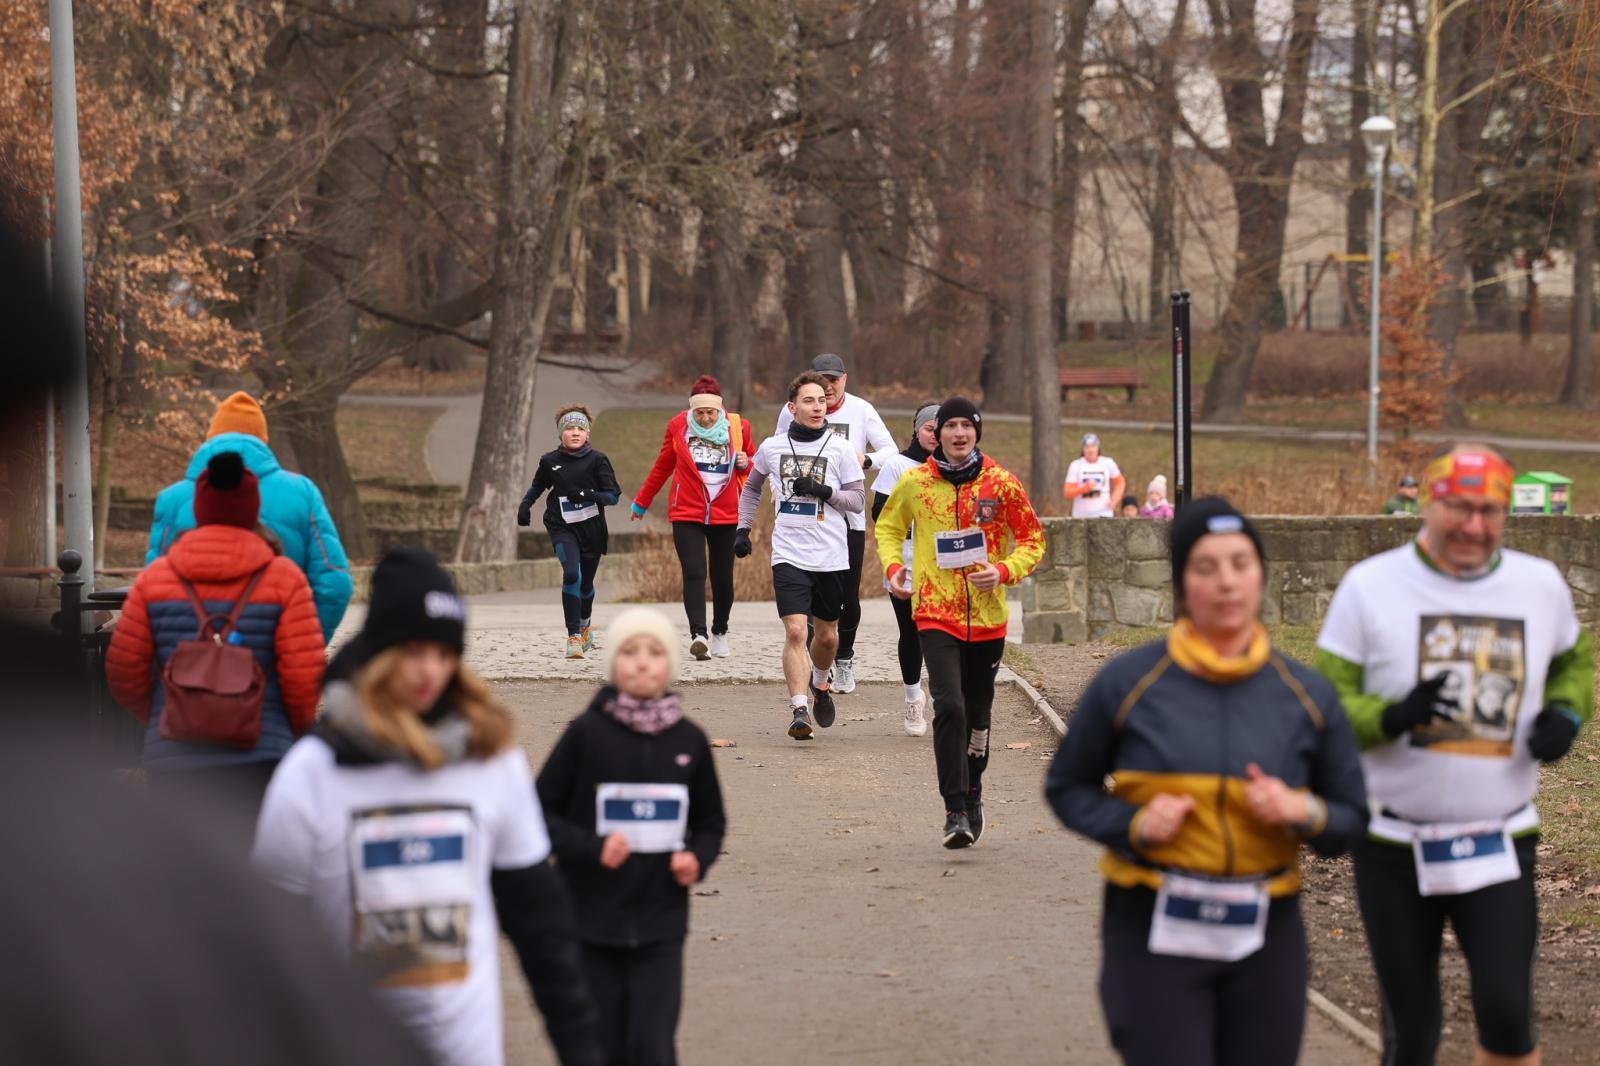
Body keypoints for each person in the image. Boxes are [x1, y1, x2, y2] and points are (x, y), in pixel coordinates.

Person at [1046, 497, 1368, 1066]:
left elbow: (1352, 815)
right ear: (1182, 584)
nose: (1226, 582)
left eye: (1241, 564)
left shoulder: (1307, 695)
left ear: (1261, 575)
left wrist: (1305, 812)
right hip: (1152, 923)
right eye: (1206, 567)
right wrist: (1135, 824)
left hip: (1266, 929)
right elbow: (1067, 786)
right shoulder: (1130, 682)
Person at [251, 548, 604, 1066]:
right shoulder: (311, 774)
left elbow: (542, 929)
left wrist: (582, 1051)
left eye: (443, 654)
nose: (429, 671)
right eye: (414, 651)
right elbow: (270, 951)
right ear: (380, 655)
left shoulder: (493, 763)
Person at [1314, 444, 1594, 1066]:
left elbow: (1573, 660)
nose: (1474, 526)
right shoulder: (1371, 586)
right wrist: (1389, 717)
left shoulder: (1538, 583)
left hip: (1499, 839)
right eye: (1460, 509)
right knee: (1411, 1028)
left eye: (1489, 511)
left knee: (1505, 1009)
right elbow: (1325, 703)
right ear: (1430, 505)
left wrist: (1567, 713)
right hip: (1392, 844)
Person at [536, 607, 727, 1066]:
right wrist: (592, 847)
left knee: (652, 1045)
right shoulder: (585, 735)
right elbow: (538, 813)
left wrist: (696, 859)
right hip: (591, 921)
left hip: (661, 923)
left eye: (655, 652)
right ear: (613, 664)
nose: (642, 662)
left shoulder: (689, 741)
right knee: (602, 1046)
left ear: (671, 666)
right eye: (629, 652)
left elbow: (710, 823)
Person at [107, 452, 326, 845]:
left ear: (201, 507)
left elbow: (124, 671)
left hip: (174, 759)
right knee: (252, 877)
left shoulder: (155, 580)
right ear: (253, 509)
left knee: (184, 876)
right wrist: (287, 734)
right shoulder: (285, 579)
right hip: (260, 755)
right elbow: (304, 677)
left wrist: (167, 715)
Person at [875, 397, 1045, 848]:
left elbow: (1032, 538)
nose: (957, 433)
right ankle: (954, 811)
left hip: (987, 617)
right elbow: (888, 529)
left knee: (977, 714)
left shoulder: (1000, 483)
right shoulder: (915, 483)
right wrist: (895, 571)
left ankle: (974, 790)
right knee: (948, 706)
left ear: (976, 432)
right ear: (935, 434)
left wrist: (1005, 570)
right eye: (948, 426)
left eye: (965, 426)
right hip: (935, 611)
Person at [147, 391, 352, 643]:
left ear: (212, 437)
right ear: (263, 440)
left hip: (185, 664)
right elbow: (335, 582)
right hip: (272, 658)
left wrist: (173, 650)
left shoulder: (173, 499)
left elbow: (153, 590)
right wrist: (304, 644)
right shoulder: (303, 493)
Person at [737, 371, 866, 741]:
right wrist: (742, 529)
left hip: (831, 555)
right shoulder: (772, 447)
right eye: (809, 401)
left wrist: (825, 491)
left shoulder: (840, 449)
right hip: (789, 553)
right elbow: (751, 488)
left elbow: (857, 500)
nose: (817, 407)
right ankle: (798, 708)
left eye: (822, 401)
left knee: (826, 638)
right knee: (796, 631)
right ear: (792, 408)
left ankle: (821, 684)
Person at [773, 353, 898, 694]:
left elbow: (891, 449)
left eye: (834, 379)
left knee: (846, 595)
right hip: (803, 518)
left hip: (848, 516)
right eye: (822, 378)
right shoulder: (794, 410)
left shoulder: (861, 410)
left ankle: (844, 658)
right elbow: (776, 456)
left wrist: (866, 459)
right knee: (807, 598)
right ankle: (815, 662)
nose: (828, 386)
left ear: (844, 380)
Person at [630, 375, 756, 660]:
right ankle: (699, 635)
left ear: (720, 409)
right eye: (700, 412)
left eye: (711, 412)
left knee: (722, 577)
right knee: (694, 571)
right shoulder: (678, 427)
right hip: (687, 511)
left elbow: (757, 460)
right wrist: (641, 501)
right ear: (692, 411)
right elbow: (663, 466)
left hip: (726, 513)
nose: (706, 418)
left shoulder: (738, 427)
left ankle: (720, 630)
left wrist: (748, 461)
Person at [519, 405, 622, 659]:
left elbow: (612, 497)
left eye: (580, 428)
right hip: (561, 525)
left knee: (586, 584)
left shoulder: (598, 460)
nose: (575, 433)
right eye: (569, 428)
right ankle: (573, 636)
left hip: (592, 530)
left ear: (587, 433)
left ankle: (585, 625)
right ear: (560, 434)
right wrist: (525, 505)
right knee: (570, 575)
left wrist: (588, 495)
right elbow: (537, 487)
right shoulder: (549, 461)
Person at [870, 400, 941, 737]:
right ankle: (914, 697)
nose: (936, 435)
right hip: (906, 563)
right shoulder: (898, 465)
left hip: (945, 566)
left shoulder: (957, 467)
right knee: (912, 632)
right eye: (930, 428)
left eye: (941, 430)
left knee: (942, 634)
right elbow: (879, 515)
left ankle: (944, 697)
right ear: (917, 429)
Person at [1063, 432, 1125, 519]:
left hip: (1104, 513)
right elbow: (1067, 492)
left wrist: (1114, 499)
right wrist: (1085, 488)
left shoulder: (1107, 463)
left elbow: (1120, 482)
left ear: (1098, 448)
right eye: (1087, 447)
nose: (1090, 450)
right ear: (1083, 449)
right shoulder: (1076, 465)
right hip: (1081, 515)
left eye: (1093, 446)